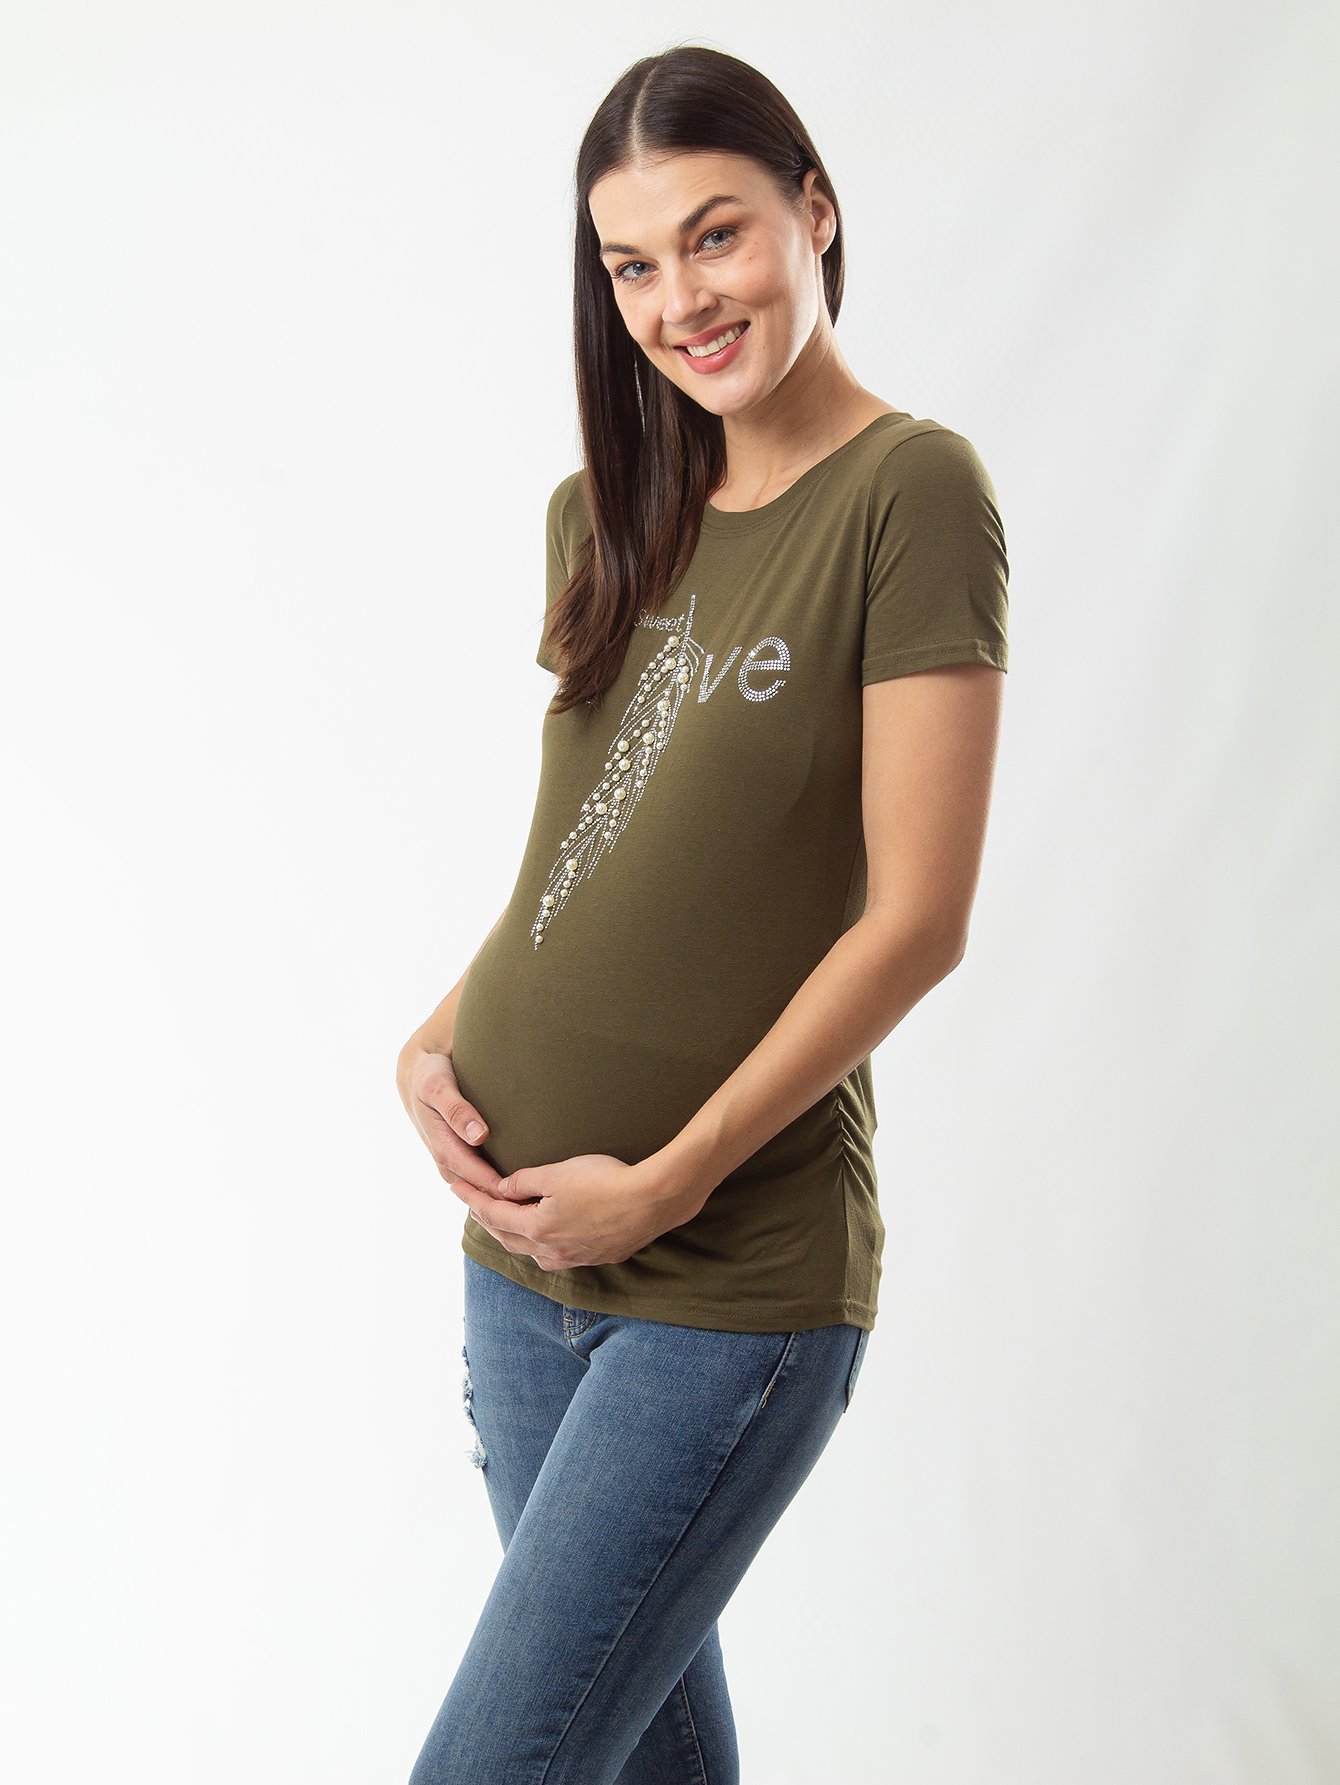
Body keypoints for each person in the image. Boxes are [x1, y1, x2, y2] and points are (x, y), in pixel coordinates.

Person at [397, 43, 1009, 1785]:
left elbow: (918, 916)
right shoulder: (603, 512)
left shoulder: (910, 493)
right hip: (519, 1262)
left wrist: (671, 1176)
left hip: (728, 1284)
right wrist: (437, 1037)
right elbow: (586, 853)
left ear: (816, 211)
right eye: (632, 264)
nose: (680, 300)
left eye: (716, 234)